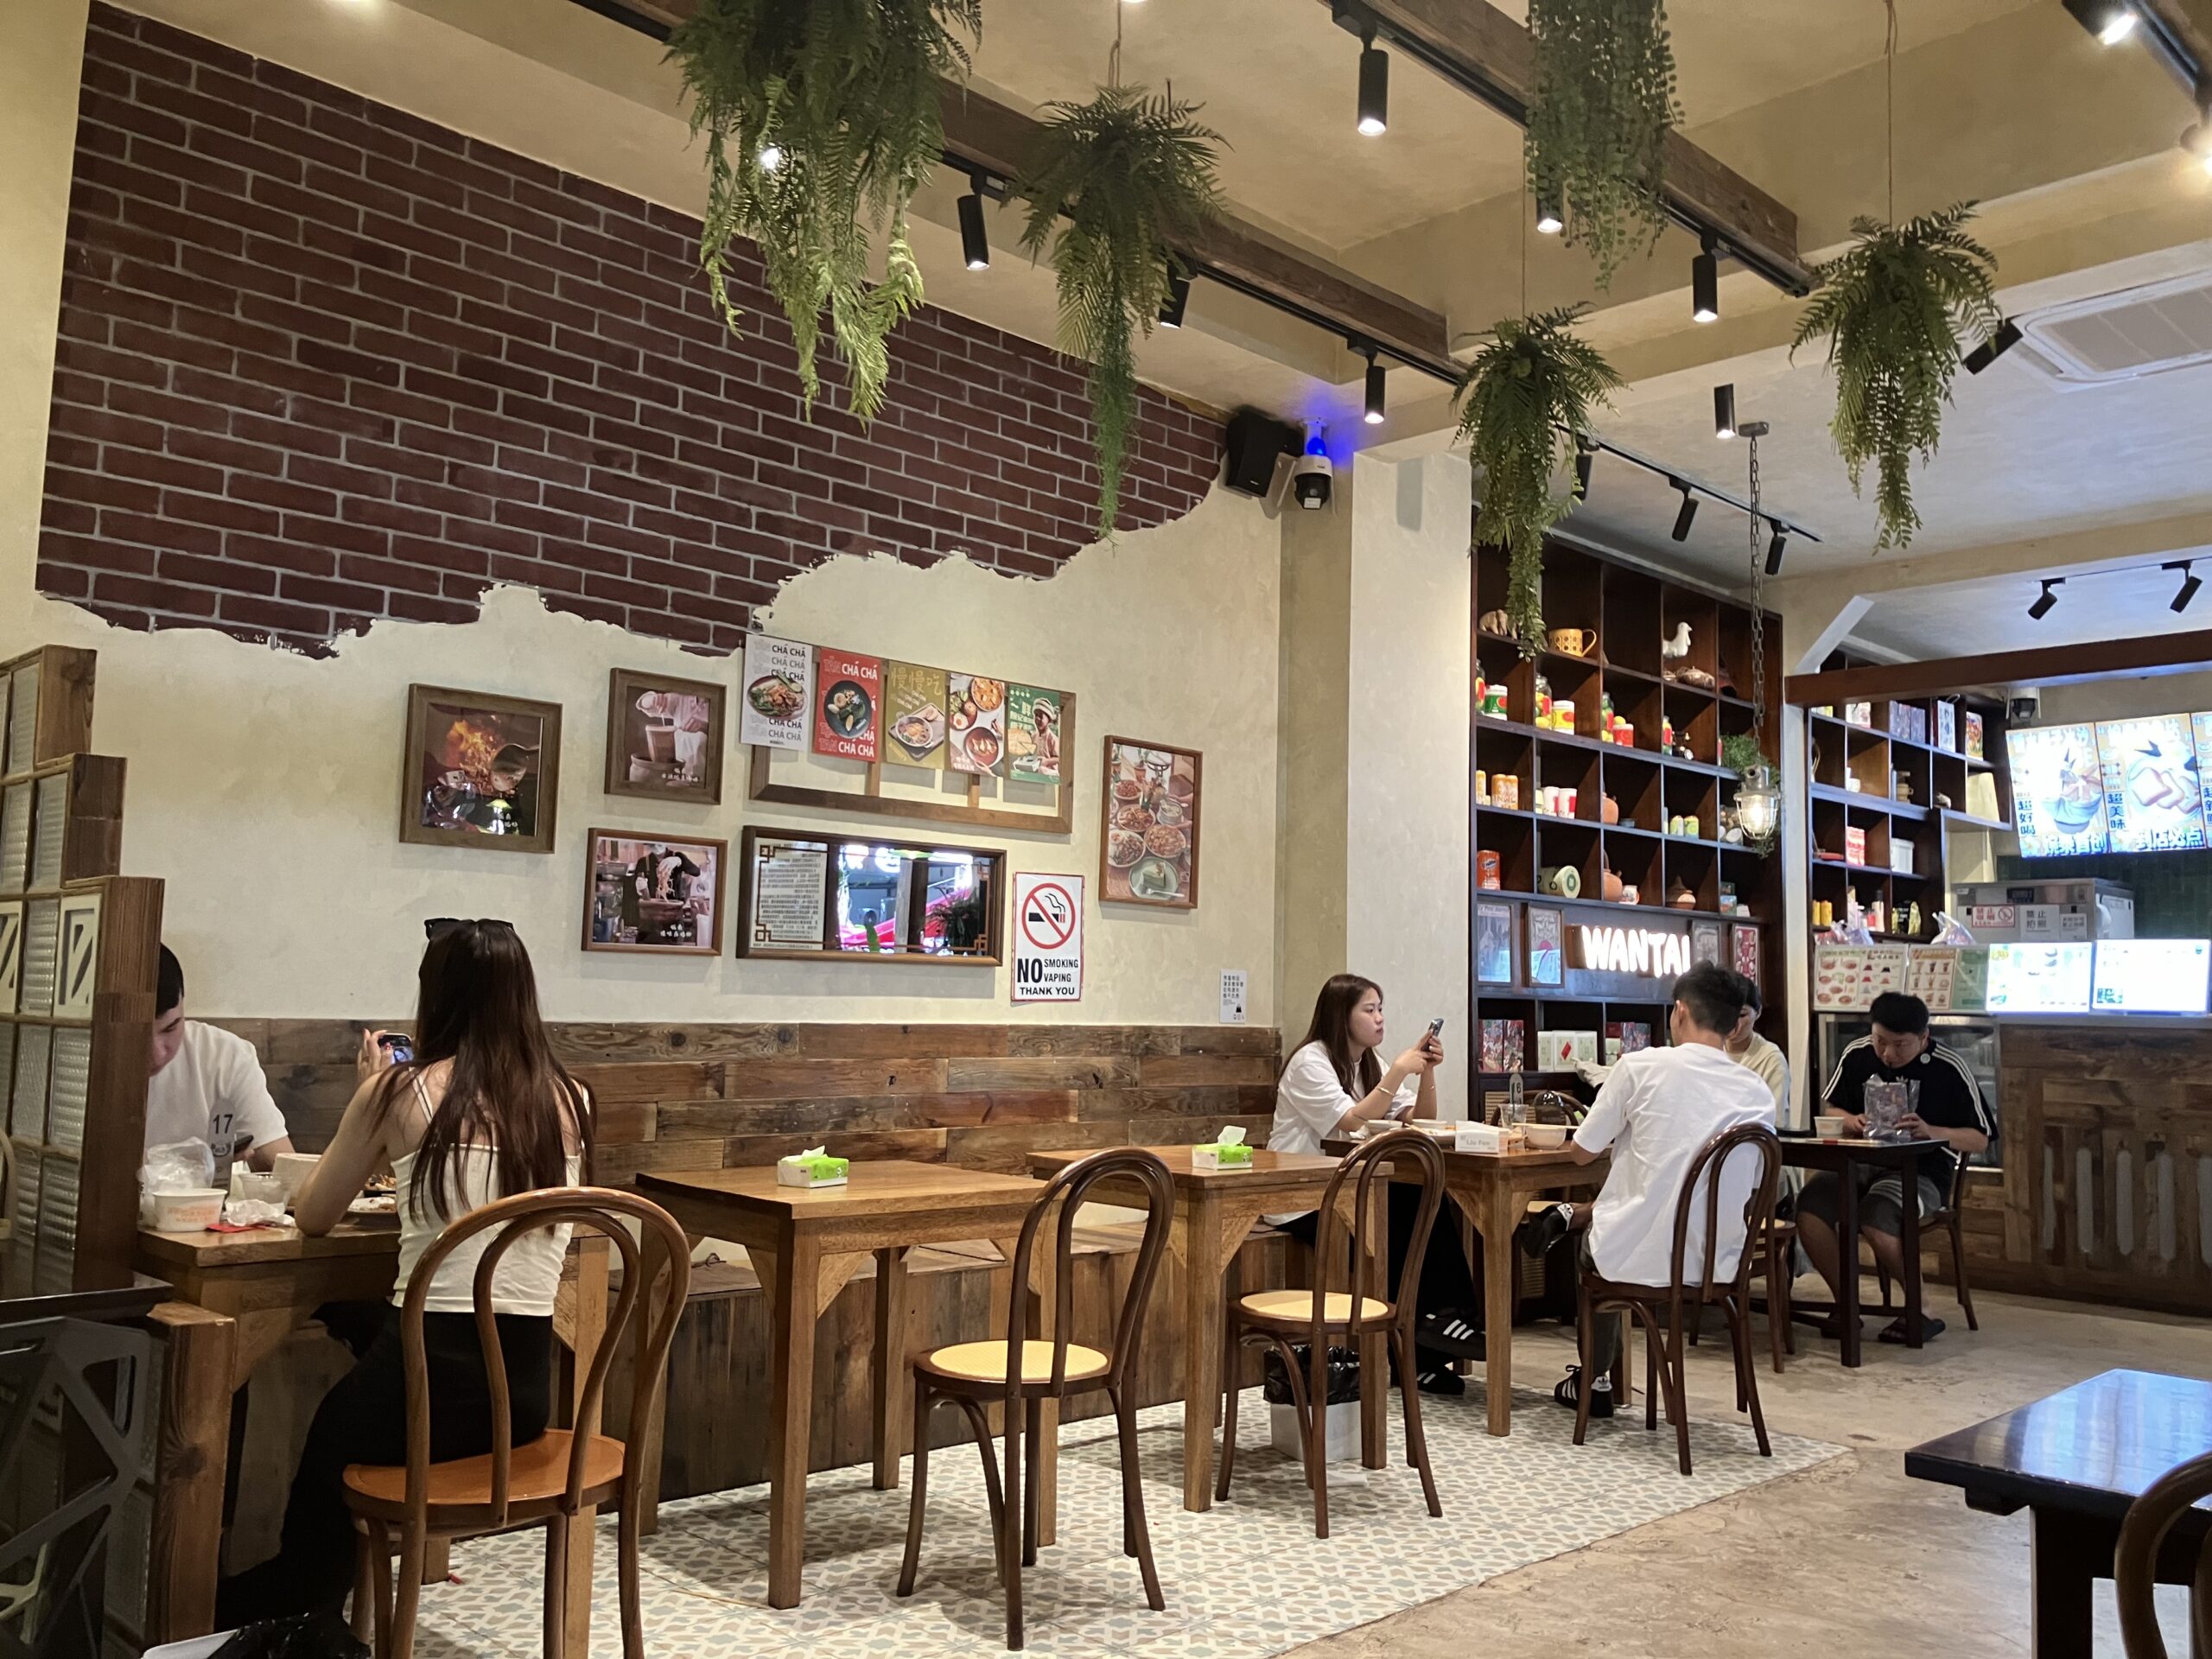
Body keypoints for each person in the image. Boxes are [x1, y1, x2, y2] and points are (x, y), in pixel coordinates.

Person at [217, 919, 591, 1625]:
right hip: (521, 1403)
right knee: (367, 1321)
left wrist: (372, 1096)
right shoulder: (572, 1099)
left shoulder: (400, 1092)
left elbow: (315, 1214)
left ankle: (296, 1615)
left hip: (424, 1402)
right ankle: (335, 1603)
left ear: (435, 996)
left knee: (334, 1444)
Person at [1519, 963, 1776, 1419]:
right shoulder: (1756, 1091)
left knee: (1596, 1245)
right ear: (1734, 1024)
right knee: (1627, 1204)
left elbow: (1581, 1153)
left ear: (1680, 1012)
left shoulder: (1639, 1067)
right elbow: (1754, 1182)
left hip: (1640, 1256)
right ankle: (1577, 1216)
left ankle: (1594, 1379)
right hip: (1719, 1262)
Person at [1268, 974, 1483, 1394]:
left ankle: (1440, 1326)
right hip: (1301, 1198)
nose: (1380, 1018)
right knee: (1400, 1220)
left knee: (1426, 1196)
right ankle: (1426, 1336)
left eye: (1380, 1008)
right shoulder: (1310, 1062)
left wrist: (1426, 1073)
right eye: (1369, 1010)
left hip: (1350, 1190)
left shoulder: (1370, 1062)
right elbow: (1350, 1122)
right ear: (1341, 1016)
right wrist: (1398, 1071)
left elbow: (1420, 1120)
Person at [1797, 991, 1991, 1344]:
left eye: (1900, 1045)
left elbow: (1980, 1139)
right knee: (1810, 1206)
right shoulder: (1857, 1054)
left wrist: (1932, 1131)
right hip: (1857, 1163)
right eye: (1880, 1041)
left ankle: (1921, 1308)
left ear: (1924, 1037)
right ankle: (1846, 1302)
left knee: (1878, 1214)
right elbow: (1831, 1108)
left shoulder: (1949, 1067)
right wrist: (1851, 1121)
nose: (1888, 1053)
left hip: (1922, 1172)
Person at [145, 945, 293, 1172]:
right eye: (139, 1036)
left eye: (171, 1028)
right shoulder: (89, 1062)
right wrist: (194, 1166)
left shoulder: (224, 1056)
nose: (158, 1053)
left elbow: (281, 1168)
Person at [1726, 975, 1792, 1123]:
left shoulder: (1771, 1059)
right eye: (1726, 1013)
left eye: (1742, 1015)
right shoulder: (1711, 1050)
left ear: (1758, 1012)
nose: (1733, 1023)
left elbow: (1776, 1120)